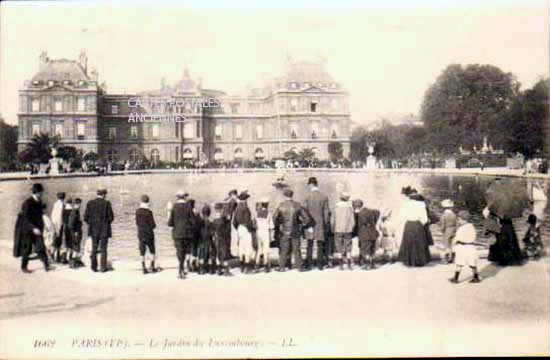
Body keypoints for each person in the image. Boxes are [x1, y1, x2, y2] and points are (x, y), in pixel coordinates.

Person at [272, 188, 313, 272]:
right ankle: (300, 267)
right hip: (296, 230)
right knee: (297, 249)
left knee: (284, 249)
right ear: (292, 195)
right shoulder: (298, 205)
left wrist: (279, 224)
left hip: (284, 231)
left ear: (285, 195)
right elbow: (307, 219)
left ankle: (282, 267)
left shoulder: (281, 205)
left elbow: (274, 218)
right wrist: (301, 225)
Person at [13, 183, 51, 273]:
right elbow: (25, 218)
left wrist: (41, 227)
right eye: (41, 192)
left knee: (41, 246)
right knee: (27, 248)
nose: (42, 194)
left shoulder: (39, 201)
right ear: (37, 192)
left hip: (37, 228)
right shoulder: (27, 203)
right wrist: (33, 228)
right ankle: (24, 267)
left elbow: (40, 215)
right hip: (27, 229)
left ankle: (46, 265)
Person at [84, 186, 114, 273]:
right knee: (103, 249)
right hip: (104, 229)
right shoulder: (107, 203)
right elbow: (111, 217)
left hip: (93, 230)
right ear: (104, 194)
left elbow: (86, 217)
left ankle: (93, 267)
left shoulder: (90, 203)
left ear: (97, 194)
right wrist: (106, 223)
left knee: (94, 248)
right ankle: (103, 268)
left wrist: (92, 224)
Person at [397, 190, 431, 267]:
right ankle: (419, 261)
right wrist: (420, 223)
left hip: (409, 224)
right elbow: (424, 218)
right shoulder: (421, 204)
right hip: (418, 224)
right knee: (419, 242)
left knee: (408, 242)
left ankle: (408, 260)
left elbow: (401, 216)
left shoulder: (405, 204)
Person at [168, 189, 196, 279]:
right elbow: (193, 221)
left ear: (177, 197)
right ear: (184, 197)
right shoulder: (188, 207)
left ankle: (180, 268)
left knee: (179, 251)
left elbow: (170, 223)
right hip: (187, 233)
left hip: (177, 233)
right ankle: (183, 268)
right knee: (186, 250)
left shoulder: (174, 207)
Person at [303, 177, 330, 270]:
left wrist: (305, 224)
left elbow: (304, 212)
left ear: (310, 185)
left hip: (310, 223)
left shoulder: (307, 197)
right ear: (316, 184)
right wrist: (325, 224)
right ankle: (320, 265)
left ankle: (309, 264)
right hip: (320, 222)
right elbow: (326, 213)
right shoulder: (324, 197)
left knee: (309, 244)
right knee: (320, 244)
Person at [450, 210, 481, 284]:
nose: (459, 221)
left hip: (462, 247)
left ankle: (456, 278)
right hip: (471, 247)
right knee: (472, 263)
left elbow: (456, 238)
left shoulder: (461, 229)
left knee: (459, 262)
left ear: (464, 220)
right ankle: (476, 277)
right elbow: (474, 238)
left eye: (460, 219)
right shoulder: (472, 227)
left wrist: (452, 245)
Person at [352, 199, 380, 270]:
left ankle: (367, 265)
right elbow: (377, 212)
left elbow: (359, 224)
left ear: (356, 207)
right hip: (373, 233)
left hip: (364, 234)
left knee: (365, 250)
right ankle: (373, 264)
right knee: (372, 250)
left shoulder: (360, 214)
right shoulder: (370, 211)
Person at [233, 190, 256, 274]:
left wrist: (238, 227)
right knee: (247, 248)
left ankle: (241, 266)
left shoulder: (237, 208)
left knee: (241, 247)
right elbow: (248, 221)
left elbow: (234, 222)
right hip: (246, 228)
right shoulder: (245, 208)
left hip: (239, 228)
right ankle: (247, 267)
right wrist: (252, 229)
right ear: (245, 199)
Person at [331, 192, 355, 270]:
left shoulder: (336, 207)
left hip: (338, 229)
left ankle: (340, 265)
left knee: (339, 246)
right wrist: (351, 227)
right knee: (348, 247)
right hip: (348, 229)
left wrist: (332, 228)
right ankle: (349, 264)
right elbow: (353, 221)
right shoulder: (349, 208)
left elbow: (332, 220)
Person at [135, 194, 157, 274]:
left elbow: (137, 223)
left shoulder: (137, 211)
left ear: (141, 201)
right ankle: (152, 266)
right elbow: (153, 225)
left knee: (142, 250)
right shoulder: (149, 212)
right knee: (152, 250)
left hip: (141, 233)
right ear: (148, 201)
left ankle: (143, 267)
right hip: (149, 233)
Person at [255, 197, 274, 273]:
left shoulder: (256, 213)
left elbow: (254, 223)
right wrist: (272, 236)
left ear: (261, 204)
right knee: (266, 249)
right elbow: (271, 226)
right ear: (267, 205)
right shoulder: (269, 213)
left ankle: (256, 265)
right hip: (265, 232)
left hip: (258, 232)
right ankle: (266, 265)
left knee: (259, 249)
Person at [212, 202, 232, 276]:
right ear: (221, 209)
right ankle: (226, 269)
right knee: (224, 253)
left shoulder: (214, 220)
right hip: (223, 238)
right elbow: (227, 226)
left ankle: (219, 269)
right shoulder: (223, 219)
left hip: (216, 238)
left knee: (218, 254)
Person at [197, 204, 216, 274]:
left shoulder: (200, 223)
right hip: (209, 241)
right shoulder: (211, 223)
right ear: (209, 213)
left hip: (202, 241)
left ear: (202, 213)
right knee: (210, 255)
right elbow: (212, 233)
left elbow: (197, 232)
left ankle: (201, 268)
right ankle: (211, 269)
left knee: (201, 255)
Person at [68, 198, 84, 268]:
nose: (80, 206)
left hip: (75, 232)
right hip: (75, 232)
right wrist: (75, 232)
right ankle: (73, 263)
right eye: (80, 204)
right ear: (78, 204)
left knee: (75, 246)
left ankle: (73, 262)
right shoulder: (74, 212)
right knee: (76, 247)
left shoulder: (75, 211)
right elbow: (71, 224)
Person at [440, 199, 457, 264]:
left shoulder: (443, 215)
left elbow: (442, 225)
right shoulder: (454, 214)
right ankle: (452, 258)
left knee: (446, 245)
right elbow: (456, 223)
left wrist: (442, 231)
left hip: (447, 230)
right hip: (453, 229)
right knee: (453, 244)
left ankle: (446, 259)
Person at [223, 189, 239, 257]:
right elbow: (232, 211)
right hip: (228, 221)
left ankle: (226, 252)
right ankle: (227, 253)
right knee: (228, 237)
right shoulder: (233, 201)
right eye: (235, 195)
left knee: (225, 237)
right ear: (233, 195)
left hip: (223, 220)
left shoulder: (226, 200)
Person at [50, 191, 65, 263]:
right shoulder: (62, 205)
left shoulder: (55, 204)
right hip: (59, 225)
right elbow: (59, 217)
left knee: (55, 241)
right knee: (58, 241)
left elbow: (53, 215)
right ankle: (56, 256)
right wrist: (58, 228)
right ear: (63, 197)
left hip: (54, 224)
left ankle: (54, 255)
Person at [62, 197, 73, 265]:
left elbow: (63, 219)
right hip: (71, 228)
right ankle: (70, 258)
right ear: (71, 202)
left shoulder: (64, 210)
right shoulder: (72, 210)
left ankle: (64, 258)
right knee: (71, 243)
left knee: (66, 242)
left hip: (65, 227)